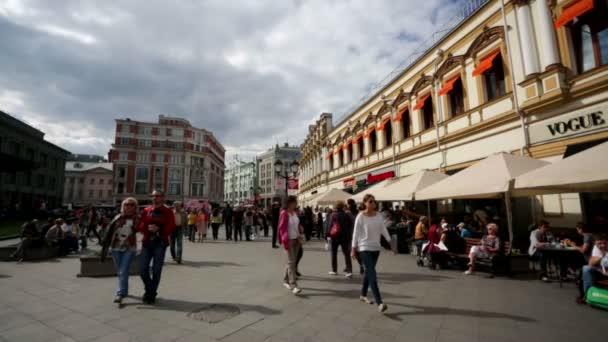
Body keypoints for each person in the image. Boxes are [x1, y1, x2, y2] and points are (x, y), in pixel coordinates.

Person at [352, 194, 393, 313]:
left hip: (376, 248)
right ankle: (380, 302)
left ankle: (363, 295)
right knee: (372, 275)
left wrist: (390, 242)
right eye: (370, 201)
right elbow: (355, 233)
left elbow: (383, 229)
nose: (373, 203)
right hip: (364, 248)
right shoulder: (360, 216)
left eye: (374, 201)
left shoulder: (378, 215)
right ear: (364, 203)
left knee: (368, 273)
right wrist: (353, 249)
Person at [138, 190, 176, 304]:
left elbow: (172, 226)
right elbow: (141, 225)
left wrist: (159, 229)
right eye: (153, 196)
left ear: (163, 198)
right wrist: (146, 228)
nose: (154, 198)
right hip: (147, 242)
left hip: (160, 243)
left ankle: (150, 294)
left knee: (156, 269)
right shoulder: (146, 210)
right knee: (142, 269)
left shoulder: (168, 211)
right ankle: (151, 290)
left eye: (157, 196)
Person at [101, 197, 139, 304]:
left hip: (129, 247)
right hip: (115, 247)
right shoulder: (117, 217)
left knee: (123, 270)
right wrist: (106, 246)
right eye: (127, 204)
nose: (129, 206)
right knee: (121, 271)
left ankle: (120, 293)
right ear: (123, 206)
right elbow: (109, 232)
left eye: (132, 204)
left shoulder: (137, 218)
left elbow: (140, 229)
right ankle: (124, 291)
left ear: (135, 207)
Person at [278, 196, 304, 294]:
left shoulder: (294, 213)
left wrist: (300, 229)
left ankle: (285, 280)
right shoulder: (284, 213)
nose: (296, 204)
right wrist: (285, 241)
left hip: (297, 239)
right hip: (289, 240)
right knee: (292, 262)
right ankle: (294, 285)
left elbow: (296, 224)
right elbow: (282, 228)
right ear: (289, 203)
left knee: (291, 262)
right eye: (294, 202)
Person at [578, 235, 608, 304]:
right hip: (602, 272)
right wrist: (601, 256)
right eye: (599, 243)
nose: (602, 245)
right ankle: (588, 295)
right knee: (586, 268)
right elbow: (590, 263)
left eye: (605, 243)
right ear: (595, 243)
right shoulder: (596, 248)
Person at [327, 200, 354, 277]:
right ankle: (349, 271)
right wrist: (349, 235)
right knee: (346, 254)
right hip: (345, 237)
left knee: (334, 253)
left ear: (336, 207)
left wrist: (328, 235)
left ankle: (334, 270)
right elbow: (350, 224)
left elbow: (330, 226)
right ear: (342, 207)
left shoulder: (333, 215)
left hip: (335, 236)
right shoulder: (346, 215)